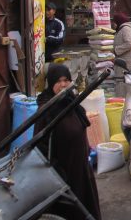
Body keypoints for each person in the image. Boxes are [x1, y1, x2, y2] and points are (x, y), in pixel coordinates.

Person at [35, 64, 101, 219]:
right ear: (51, 84)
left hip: (81, 169)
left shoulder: (72, 103)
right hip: (62, 173)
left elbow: (83, 125)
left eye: (66, 80)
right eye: (58, 81)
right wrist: (56, 170)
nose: (63, 85)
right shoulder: (46, 109)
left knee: (85, 207)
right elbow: (39, 145)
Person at [113, 12, 131, 96]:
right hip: (126, 63)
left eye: (114, 22)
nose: (113, 24)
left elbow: (130, 43)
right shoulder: (122, 29)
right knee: (126, 85)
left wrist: (116, 50)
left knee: (128, 87)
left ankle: (128, 105)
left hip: (129, 63)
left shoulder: (125, 29)